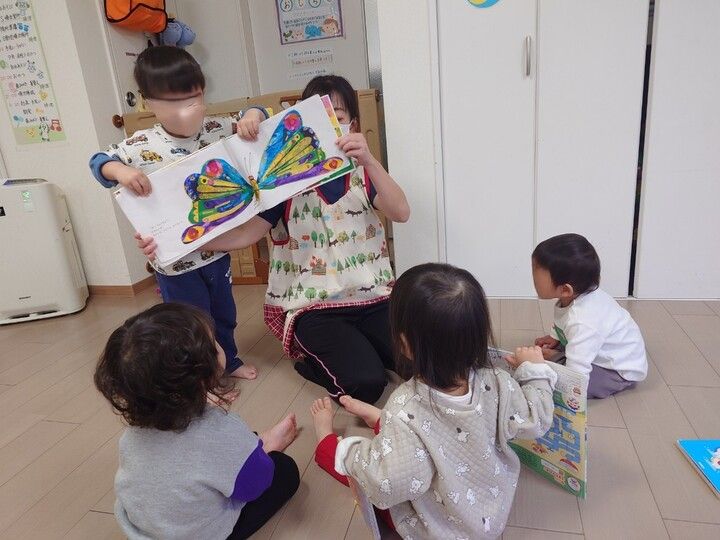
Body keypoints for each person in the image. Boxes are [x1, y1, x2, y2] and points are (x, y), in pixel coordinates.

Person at [138, 75, 411, 403]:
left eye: (337, 116)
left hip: (375, 297)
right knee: (366, 384)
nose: (328, 124)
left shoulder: (362, 174)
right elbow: (245, 233)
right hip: (315, 307)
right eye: (318, 116)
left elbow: (401, 212)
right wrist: (173, 242)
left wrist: (369, 160)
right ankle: (315, 362)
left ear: (352, 124)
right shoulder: (284, 182)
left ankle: (361, 349)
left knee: (419, 365)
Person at [310, 263, 557, 540]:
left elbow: (387, 484)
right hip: (492, 512)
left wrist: (351, 451)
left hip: (437, 529)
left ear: (404, 345)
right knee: (407, 435)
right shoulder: (501, 382)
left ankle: (325, 440)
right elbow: (537, 418)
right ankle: (378, 420)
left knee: (364, 468)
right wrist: (534, 371)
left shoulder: (404, 407)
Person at [88, 45, 264, 379]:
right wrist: (121, 171)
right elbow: (98, 162)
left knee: (224, 312)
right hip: (174, 261)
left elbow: (258, 112)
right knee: (189, 323)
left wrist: (253, 116)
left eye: (194, 98)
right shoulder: (140, 145)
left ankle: (230, 361)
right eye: (172, 103)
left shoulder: (215, 128)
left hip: (217, 250)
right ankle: (202, 377)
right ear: (148, 102)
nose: (186, 110)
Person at [94, 303, 300, 540]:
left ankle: (253, 448)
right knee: (284, 469)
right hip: (197, 535)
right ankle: (260, 448)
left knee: (221, 456)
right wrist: (263, 458)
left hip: (141, 530)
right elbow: (256, 486)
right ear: (206, 371)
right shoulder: (221, 429)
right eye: (213, 343)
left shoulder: (131, 435)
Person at [532, 233, 648, 398]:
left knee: (553, 380)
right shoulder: (573, 298)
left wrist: (547, 367)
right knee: (563, 357)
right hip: (595, 346)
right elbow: (562, 318)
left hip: (615, 370)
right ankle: (562, 357)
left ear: (565, 289)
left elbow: (577, 376)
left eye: (536, 276)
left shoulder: (583, 320)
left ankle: (560, 360)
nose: (533, 279)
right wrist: (555, 336)